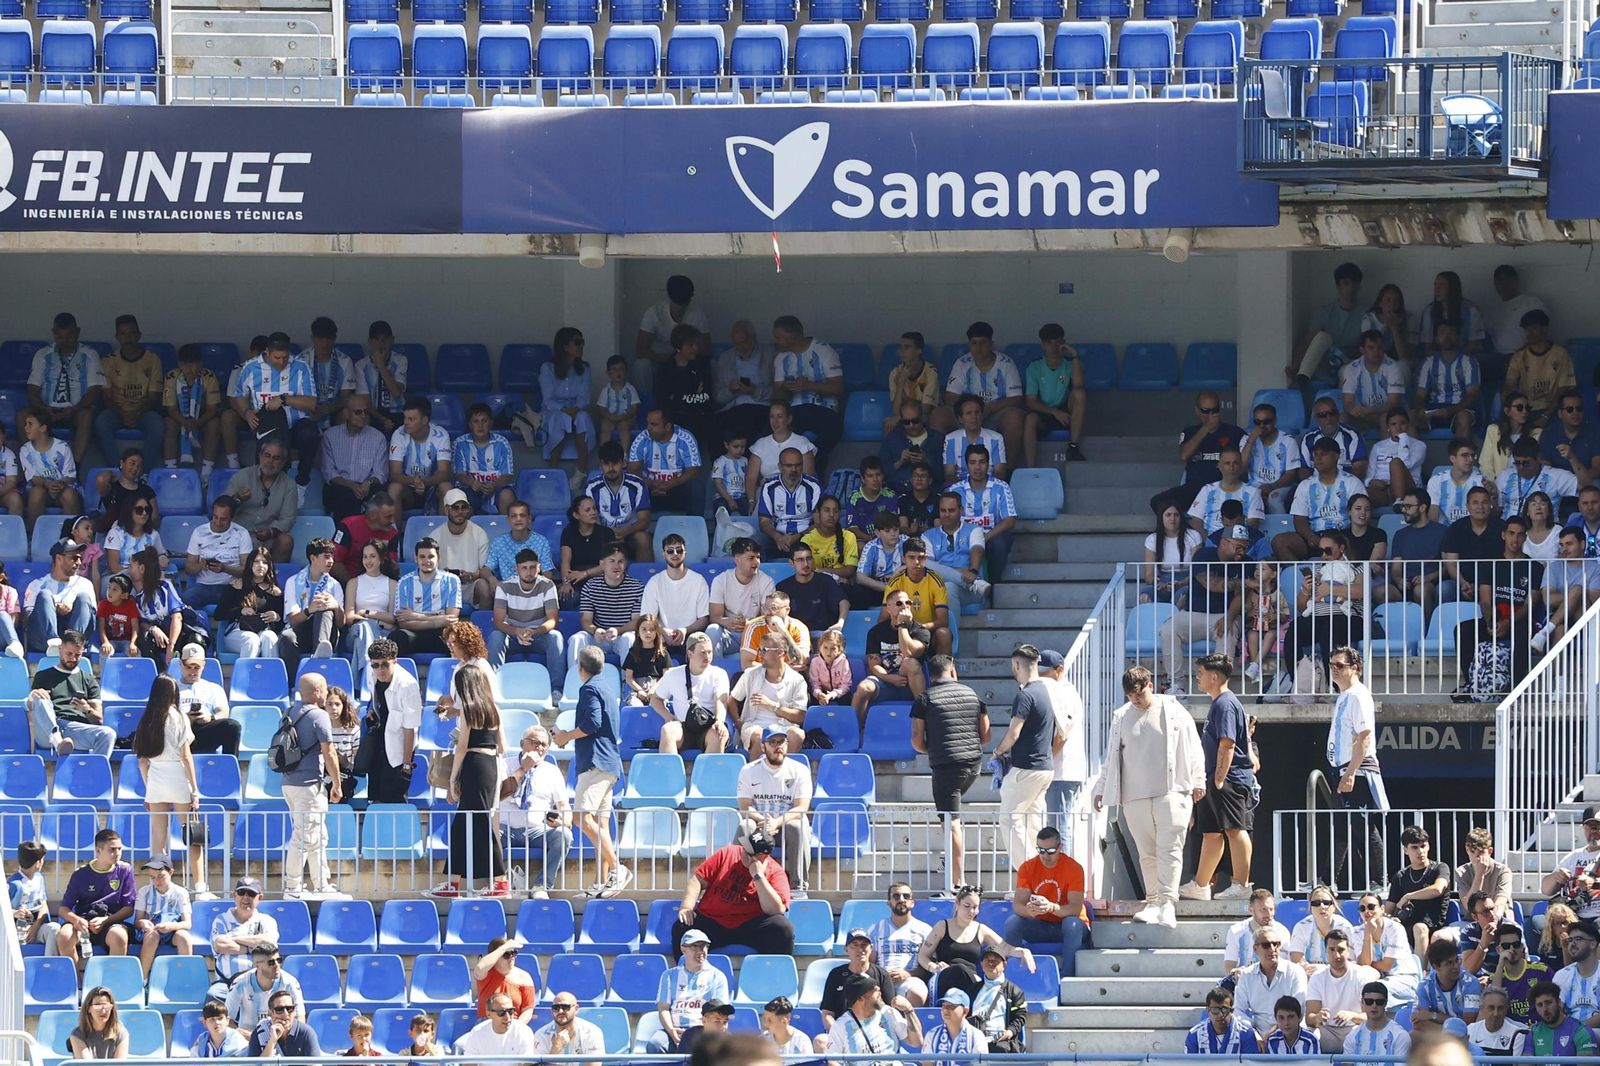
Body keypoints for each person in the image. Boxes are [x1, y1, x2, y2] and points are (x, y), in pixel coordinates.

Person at [1093, 665, 1204, 929]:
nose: (1135, 699)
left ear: (1150, 686)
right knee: (1147, 852)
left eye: (1139, 694)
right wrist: (1101, 788)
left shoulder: (1175, 710)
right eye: (1131, 696)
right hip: (1134, 795)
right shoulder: (1121, 716)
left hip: (1172, 790)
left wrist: (1199, 780)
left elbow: (1194, 748)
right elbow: (1112, 757)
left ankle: (1167, 903)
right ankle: (1153, 901)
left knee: (1171, 848)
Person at [552, 645, 628, 899]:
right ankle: (600, 883)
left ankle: (618, 869)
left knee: (581, 818)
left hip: (595, 763)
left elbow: (591, 723)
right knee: (601, 827)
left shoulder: (590, 689)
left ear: (579, 668)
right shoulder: (607, 687)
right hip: (610, 764)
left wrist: (564, 737)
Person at [909, 655, 988, 894]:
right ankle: (952, 861)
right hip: (973, 765)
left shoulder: (924, 698)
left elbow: (916, 740)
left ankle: (957, 883)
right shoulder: (973, 693)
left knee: (951, 822)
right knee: (951, 819)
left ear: (929, 675)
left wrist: (931, 749)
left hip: (945, 767)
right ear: (952, 671)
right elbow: (986, 736)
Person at [1180, 654, 1256, 901]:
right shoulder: (1219, 703)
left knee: (1235, 829)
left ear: (1214, 676)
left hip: (1228, 779)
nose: (1197, 677)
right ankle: (1201, 885)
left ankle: (1242, 885)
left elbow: (1227, 743)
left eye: (1200, 673)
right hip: (1213, 778)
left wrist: (1220, 779)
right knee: (1211, 832)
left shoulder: (1225, 703)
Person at [672, 816, 796, 955]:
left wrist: (758, 876)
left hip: (751, 924)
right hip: (714, 921)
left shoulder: (776, 872)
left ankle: (776, 974)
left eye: (749, 853)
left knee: (783, 929)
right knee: (682, 927)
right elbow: (697, 879)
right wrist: (687, 907)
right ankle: (685, 973)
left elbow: (775, 910)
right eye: (744, 849)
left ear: (762, 856)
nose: (743, 854)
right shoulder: (728, 853)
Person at [442, 664, 508, 899]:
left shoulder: (469, 711)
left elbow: (462, 748)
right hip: (490, 765)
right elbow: (503, 746)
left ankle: (500, 881)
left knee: (477, 823)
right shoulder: (493, 709)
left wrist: (452, 779)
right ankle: (453, 882)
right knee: (465, 823)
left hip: (474, 763)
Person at [915, 883, 1035, 1003]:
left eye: (975, 907)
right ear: (957, 904)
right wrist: (934, 967)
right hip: (944, 977)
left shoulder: (980, 929)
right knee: (958, 970)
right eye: (967, 906)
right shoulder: (942, 926)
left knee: (966, 973)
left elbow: (1005, 948)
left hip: (970, 980)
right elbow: (923, 956)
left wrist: (1023, 951)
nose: (971, 911)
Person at [992, 644, 1056, 869]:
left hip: (1026, 769)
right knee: (1033, 824)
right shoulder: (1047, 692)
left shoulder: (1026, 695)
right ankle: (1042, 875)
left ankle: (1030, 876)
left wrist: (998, 751)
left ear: (1017, 665)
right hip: (1045, 768)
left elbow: (1013, 732)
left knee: (1009, 819)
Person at [280, 673, 342, 900]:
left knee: (318, 835)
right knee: (304, 837)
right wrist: (337, 783)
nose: (326, 694)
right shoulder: (319, 716)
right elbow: (329, 753)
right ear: (317, 692)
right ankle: (293, 886)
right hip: (308, 786)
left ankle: (321, 882)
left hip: (289, 784)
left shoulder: (289, 712)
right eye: (324, 690)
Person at [131, 674, 198, 878]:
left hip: (156, 778)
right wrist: (195, 790)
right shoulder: (179, 716)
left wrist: (148, 789)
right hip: (176, 775)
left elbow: (142, 761)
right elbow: (186, 756)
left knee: (159, 837)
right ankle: (200, 884)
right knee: (192, 832)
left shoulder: (147, 718)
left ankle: (158, 882)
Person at [1003, 825, 1089, 975]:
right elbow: (1018, 905)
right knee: (1013, 922)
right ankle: (1015, 974)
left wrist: (1051, 907)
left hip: (1069, 925)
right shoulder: (1027, 868)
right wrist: (1029, 911)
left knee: (1071, 924)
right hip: (1041, 924)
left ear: (1060, 847)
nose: (1045, 856)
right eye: (1041, 850)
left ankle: (1067, 976)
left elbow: (1075, 909)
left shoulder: (1073, 868)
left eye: (1050, 851)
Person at [736, 727, 811, 894]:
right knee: (743, 826)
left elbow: (801, 807)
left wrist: (776, 822)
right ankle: (736, 882)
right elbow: (744, 806)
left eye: (782, 742)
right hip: (759, 824)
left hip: (786, 823)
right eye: (772, 742)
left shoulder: (800, 770)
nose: (778, 746)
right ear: (763, 746)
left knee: (798, 826)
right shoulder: (748, 770)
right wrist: (764, 821)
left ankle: (798, 887)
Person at [499, 724, 570, 898]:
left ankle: (541, 885)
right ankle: (497, 883)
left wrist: (564, 821)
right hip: (503, 827)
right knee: (485, 834)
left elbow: (563, 805)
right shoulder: (504, 764)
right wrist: (525, 767)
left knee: (564, 834)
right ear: (522, 744)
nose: (539, 748)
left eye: (544, 745)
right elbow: (498, 794)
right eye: (534, 742)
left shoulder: (552, 771)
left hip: (536, 830)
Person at [27, 627, 114, 757]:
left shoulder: (89, 681)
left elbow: (99, 720)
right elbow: (31, 706)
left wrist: (87, 710)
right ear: (60, 649)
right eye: (69, 654)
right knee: (40, 698)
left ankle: (94, 772)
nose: (73, 659)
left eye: (77, 655)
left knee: (108, 734)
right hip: (48, 729)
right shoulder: (43, 676)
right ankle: (58, 742)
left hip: (75, 729)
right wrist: (33, 696)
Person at [28, 312, 103, 464]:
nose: (65, 340)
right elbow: (32, 388)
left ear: (77, 332)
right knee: (23, 416)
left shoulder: (89, 355)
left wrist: (73, 409)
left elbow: (94, 390)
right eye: (60, 336)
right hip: (47, 410)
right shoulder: (43, 354)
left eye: (69, 336)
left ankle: (73, 469)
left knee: (86, 416)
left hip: (75, 410)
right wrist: (43, 408)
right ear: (54, 334)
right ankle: (34, 467)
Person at [771, 315, 845, 466]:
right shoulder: (780, 358)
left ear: (791, 336)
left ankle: (813, 476)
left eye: (778, 337)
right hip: (794, 410)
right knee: (769, 432)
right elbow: (778, 396)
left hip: (823, 409)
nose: (775, 341)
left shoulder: (823, 351)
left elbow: (838, 388)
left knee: (828, 436)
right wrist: (787, 388)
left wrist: (809, 386)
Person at [93, 316, 163, 475]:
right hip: (116, 411)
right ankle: (120, 471)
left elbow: (153, 397)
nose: (128, 338)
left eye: (132, 333)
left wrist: (137, 413)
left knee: (157, 423)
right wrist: (122, 414)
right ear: (117, 337)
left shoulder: (152, 360)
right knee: (101, 422)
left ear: (139, 335)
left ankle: (143, 472)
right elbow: (106, 397)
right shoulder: (109, 361)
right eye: (123, 334)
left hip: (144, 411)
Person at [56, 829, 135, 969]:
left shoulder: (125, 870)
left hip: (111, 921)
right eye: (112, 849)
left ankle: (113, 984)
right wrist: (77, 920)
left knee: (119, 936)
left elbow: (128, 908)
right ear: (99, 850)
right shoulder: (80, 874)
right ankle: (77, 985)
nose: (117, 853)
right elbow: (63, 909)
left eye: (119, 849)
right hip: (84, 923)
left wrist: (106, 920)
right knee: (64, 935)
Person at [851, 591, 930, 729]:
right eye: (899, 603)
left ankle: (923, 720)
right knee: (863, 688)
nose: (904, 606)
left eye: (908, 603)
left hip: (910, 683)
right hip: (885, 681)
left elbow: (909, 652)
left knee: (910, 662)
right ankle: (856, 730)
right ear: (888, 607)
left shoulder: (921, 630)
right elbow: (873, 664)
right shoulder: (876, 632)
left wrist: (902, 627)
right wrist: (889, 678)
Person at [488, 548, 564, 691]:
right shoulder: (504, 587)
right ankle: (492, 689)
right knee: (496, 636)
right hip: (512, 635)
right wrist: (517, 631)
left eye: (532, 567)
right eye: (524, 568)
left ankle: (557, 690)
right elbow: (498, 622)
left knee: (556, 637)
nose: (529, 572)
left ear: (539, 567)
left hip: (538, 635)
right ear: (516, 569)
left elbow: (552, 620)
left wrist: (534, 632)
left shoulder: (548, 585)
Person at [649, 928, 732, 1054]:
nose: (700, 951)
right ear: (683, 949)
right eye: (695, 946)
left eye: (704, 946)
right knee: (656, 1044)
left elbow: (720, 1013)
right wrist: (671, 1030)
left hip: (703, 1030)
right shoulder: (669, 975)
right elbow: (663, 1008)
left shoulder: (717, 976)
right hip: (675, 1030)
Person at [361, 638, 421, 806]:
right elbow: (374, 697)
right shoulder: (370, 671)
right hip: (379, 740)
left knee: (395, 801)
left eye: (385, 665)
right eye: (375, 665)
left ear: (395, 661)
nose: (380, 670)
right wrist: (372, 710)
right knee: (375, 798)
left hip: (399, 749)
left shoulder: (408, 686)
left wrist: (407, 764)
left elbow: (411, 729)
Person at [652, 632, 731, 757]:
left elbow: (721, 700)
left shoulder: (719, 673)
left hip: (709, 726)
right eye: (703, 653)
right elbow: (655, 698)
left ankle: (709, 775)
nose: (708, 657)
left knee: (719, 734)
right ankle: (670, 774)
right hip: (682, 726)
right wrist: (668, 716)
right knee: (667, 730)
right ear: (690, 653)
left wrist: (720, 721)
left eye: (710, 652)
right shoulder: (673, 674)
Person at [727, 633, 808, 755]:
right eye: (759, 650)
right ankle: (755, 773)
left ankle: (786, 772)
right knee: (759, 735)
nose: (759, 654)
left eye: (764, 650)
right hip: (754, 725)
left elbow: (800, 716)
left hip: (785, 726)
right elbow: (731, 700)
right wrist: (738, 723)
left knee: (798, 734)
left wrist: (772, 706)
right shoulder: (750, 674)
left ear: (780, 652)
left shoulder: (797, 680)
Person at [569, 542, 643, 672]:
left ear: (625, 564)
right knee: (577, 639)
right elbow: (586, 619)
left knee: (629, 638)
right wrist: (595, 630)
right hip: (598, 636)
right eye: (612, 561)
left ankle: (627, 685)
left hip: (622, 635)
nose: (616, 566)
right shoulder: (590, 586)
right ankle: (575, 682)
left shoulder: (636, 587)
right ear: (602, 564)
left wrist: (618, 630)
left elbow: (636, 620)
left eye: (621, 561)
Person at [823, 970, 923, 1064]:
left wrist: (909, 1010)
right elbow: (833, 1061)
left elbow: (916, 1041)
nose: (878, 988)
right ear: (860, 998)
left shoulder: (889, 1013)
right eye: (871, 988)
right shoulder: (841, 1026)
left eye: (876, 985)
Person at [223, 438, 297, 563]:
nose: (270, 461)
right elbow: (222, 507)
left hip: (267, 539)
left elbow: (288, 518)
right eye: (267, 456)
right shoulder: (242, 476)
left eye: (276, 458)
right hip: (238, 535)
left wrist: (271, 531)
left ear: (283, 462)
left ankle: (274, 580)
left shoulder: (289, 485)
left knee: (286, 540)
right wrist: (237, 498)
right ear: (260, 456)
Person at [1305, 927, 1379, 1052]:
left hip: (1354, 1029)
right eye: (1332, 950)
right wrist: (1318, 1018)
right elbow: (1309, 1018)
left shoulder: (1361, 976)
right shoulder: (1317, 978)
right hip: (1327, 1031)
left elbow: (1374, 1015)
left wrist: (1352, 1016)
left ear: (1348, 951)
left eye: (1341, 950)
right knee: (1312, 1036)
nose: (1336, 955)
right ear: (1326, 951)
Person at [320, 393, 390, 522]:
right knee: (343, 495)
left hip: (368, 485)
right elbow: (328, 472)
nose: (363, 416)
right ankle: (348, 537)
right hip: (341, 485)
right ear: (346, 414)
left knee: (381, 495)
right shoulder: (330, 436)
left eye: (366, 412)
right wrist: (350, 485)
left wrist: (367, 483)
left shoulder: (378, 437)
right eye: (358, 412)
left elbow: (381, 473)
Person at [641, 532, 711, 658]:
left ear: (685, 553)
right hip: (661, 637)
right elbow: (648, 618)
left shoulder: (698, 580)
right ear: (663, 553)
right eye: (670, 551)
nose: (675, 554)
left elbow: (703, 619)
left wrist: (685, 630)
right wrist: (662, 630)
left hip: (691, 637)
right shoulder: (655, 582)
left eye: (679, 550)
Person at [1024, 322, 1086, 464]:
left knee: (1080, 394)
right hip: (1045, 412)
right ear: (1042, 345)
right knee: (1030, 419)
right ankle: (1030, 469)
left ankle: (1073, 447)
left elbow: (1079, 386)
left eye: (1057, 342)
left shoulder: (1070, 364)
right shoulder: (1034, 367)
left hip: (1066, 412)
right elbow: (1031, 402)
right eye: (1048, 342)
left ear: (1063, 343)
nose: (1053, 346)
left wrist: (1075, 356)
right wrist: (1053, 412)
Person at [388, 539, 461, 657]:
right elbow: (403, 622)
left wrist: (415, 615)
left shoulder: (452, 580)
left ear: (439, 558)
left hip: (441, 634)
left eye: (431, 556)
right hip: (414, 632)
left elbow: (451, 619)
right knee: (396, 638)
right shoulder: (404, 582)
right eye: (422, 557)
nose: (427, 561)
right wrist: (437, 618)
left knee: (458, 638)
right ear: (415, 558)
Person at [1389, 824, 1452, 960]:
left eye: (1423, 846)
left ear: (1428, 846)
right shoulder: (1400, 876)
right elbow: (1389, 907)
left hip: (1432, 925)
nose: (1420, 851)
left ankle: (1421, 974)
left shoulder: (1440, 868)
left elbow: (1438, 889)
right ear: (1406, 850)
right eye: (1414, 847)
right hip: (1407, 924)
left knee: (1419, 927)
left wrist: (1408, 896)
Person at [1232, 928, 1309, 1040]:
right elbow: (1238, 1010)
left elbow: (1299, 1009)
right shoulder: (1247, 975)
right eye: (1266, 945)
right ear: (1255, 949)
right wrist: (1252, 1033)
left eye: (1276, 944)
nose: (1272, 949)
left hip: (1290, 1032)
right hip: (1256, 1034)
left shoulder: (1295, 972)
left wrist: (1273, 1034)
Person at [923, 493, 990, 619]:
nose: (946, 514)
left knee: (948, 588)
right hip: (945, 586)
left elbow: (977, 550)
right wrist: (960, 573)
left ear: (961, 510)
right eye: (943, 510)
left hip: (970, 591)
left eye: (951, 510)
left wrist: (973, 571)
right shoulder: (927, 536)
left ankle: (950, 638)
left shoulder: (974, 530)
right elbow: (929, 570)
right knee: (924, 564)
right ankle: (975, 583)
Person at [953, 444, 1017, 576]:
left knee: (999, 543)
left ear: (988, 464)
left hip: (991, 537)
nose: (977, 467)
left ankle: (994, 584)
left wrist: (984, 537)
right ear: (966, 465)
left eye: (982, 462)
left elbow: (1010, 520)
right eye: (973, 462)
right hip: (963, 539)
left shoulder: (1001, 487)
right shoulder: (955, 490)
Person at [706, 538, 775, 657]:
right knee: (712, 630)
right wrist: (728, 622)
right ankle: (716, 669)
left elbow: (767, 616)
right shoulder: (721, 580)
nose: (756, 562)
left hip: (755, 632)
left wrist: (748, 623)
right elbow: (714, 617)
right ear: (737, 559)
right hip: (730, 633)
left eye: (758, 557)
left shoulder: (766, 581)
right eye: (751, 558)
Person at [628, 407, 703, 515]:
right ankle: (635, 528)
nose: (648, 428)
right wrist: (650, 483)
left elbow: (693, 470)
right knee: (630, 487)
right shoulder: (642, 438)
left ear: (667, 427)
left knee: (696, 488)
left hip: (676, 489)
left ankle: (695, 528)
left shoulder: (685, 438)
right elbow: (632, 469)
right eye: (648, 423)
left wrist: (670, 484)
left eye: (653, 424)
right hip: (650, 489)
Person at [538, 328, 595, 470]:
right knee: (560, 418)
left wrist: (576, 408)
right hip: (553, 411)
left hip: (576, 409)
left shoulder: (584, 368)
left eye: (582, 342)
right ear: (564, 346)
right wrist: (564, 410)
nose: (581, 346)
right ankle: (553, 467)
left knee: (582, 417)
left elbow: (584, 397)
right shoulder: (547, 368)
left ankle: (581, 470)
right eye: (577, 342)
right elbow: (548, 399)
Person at [586, 440, 653, 561]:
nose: (611, 468)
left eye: (615, 463)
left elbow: (644, 520)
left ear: (623, 463)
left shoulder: (637, 484)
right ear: (600, 465)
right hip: (603, 533)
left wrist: (625, 532)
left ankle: (643, 578)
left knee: (643, 539)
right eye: (606, 464)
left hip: (630, 532)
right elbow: (588, 519)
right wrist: (609, 533)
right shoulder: (592, 487)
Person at [282, 537, 343, 667]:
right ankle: (292, 685)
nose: (331, 561)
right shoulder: (293, 582)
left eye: (332, 557)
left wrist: (336, 607)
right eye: (326, 557)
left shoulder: (334, 585)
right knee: (287, 637)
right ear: (313, 558)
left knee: (325, 608)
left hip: (327, 632)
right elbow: (293, 620)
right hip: (302, 631)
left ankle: (319, 654)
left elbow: (342, 623)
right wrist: (310, 609)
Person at [19, 407, 84, 530]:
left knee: (69, 494)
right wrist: (47, 483)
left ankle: (73, 539)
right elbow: (33, 478)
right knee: (36, 493)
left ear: (43, 428)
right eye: (25, 424)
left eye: (30, 424)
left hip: (62, 488)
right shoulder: (25, 450)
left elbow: (69, 476)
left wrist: (60, 484)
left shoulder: (62, 446)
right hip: (41, 488)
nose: (25, 428)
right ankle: (35, 537)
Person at [386, 396, 453, 513]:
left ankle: (445, 531)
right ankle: (396, 531)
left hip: (433, 485)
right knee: (394, 488)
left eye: (411, 419)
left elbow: (444, 473)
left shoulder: (441, 435)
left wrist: (425, 482)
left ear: (424, 420)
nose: (405, 423)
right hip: (408, 487)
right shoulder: (399, 434)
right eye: (405, 418)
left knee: (446, 487)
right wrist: (414, 481)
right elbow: (394, 474)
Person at [130, 857, 192, 980]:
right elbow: (137, 921)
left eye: (160, 876)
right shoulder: (144, 892)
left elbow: (187, 923)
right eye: (152, 877)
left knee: (184, 937)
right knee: (152, 935)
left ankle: (185, 978)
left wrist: (170, 927)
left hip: (173, 932)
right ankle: (142, 979)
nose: (156, 881)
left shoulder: (181, 892)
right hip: (152, 931)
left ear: (171, 872)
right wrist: (143, 923)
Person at [712, 320, 773, 446]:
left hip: (761, 407)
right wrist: (731, 390)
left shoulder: (769, 354)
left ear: (754, 338)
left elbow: (780, 392)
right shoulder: (725, 358)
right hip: (733, 408)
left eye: (745, 342)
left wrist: (754, 390)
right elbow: (718, 396)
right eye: (737, 344)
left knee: (745, 426)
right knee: (713, 427)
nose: (741, 347)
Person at [757, 447, 823, 557]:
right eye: (788, 465)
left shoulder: (813, 486)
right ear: (780, 467)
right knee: (758, 550)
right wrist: (778, 538)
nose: (793, 469)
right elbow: (764, 522)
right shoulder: (769, 487)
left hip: (806, 536)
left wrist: (797, 536)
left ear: (802, 465)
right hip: (777, 536)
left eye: (797, 465)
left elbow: (819, 522)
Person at [341, 539, 397, 669]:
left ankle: (364, 675)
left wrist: (366, 613)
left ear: (381, 559)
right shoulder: (353, 583)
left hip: (384, 634)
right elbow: (349, 618)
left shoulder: (392, 584)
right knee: (364, 627)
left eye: (372, 556)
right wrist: (377, 621)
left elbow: (392, 618)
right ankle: (369, 670)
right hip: (357, 631)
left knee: (364, 634)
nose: (368, 561)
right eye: (365, 557)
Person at [746, 400, 818, 498]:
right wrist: (751, 501)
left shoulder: (802, 443)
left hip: (794, 492)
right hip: (767, 492)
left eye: (780, 417)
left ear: (789, 419)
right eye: (772, 417)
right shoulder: (760, 444)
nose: (775, 421)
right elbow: (751, 478)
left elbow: (808, 476)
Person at [1341, 330, 1409, 434]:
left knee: (1385, 419)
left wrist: (1369, 410)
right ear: (1362, 350)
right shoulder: (1352, 368)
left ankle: (1389, 450)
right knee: (1343, 417)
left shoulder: (1393, 367)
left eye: (1380, 347)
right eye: (1371, 348)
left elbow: (1393, 404)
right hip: (1365, 415)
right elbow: (1348, 401)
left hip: (1389, 414)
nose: (1376, 351)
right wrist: (1352, 410)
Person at [436, 488, 493, 610]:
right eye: (455, 508)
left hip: (470, 584)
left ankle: (482, 626)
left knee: (484, 586)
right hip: (443, 586)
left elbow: (484, 568)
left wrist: (472, 576)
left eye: (464, 507)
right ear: (446, 510)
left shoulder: (479, 533)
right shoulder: (434, 536)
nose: (460, 511)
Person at [331, 491, 400, 584]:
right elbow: (334, 562)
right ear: (372, 515)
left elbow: (390, 567)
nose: (392, 520)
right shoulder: (348, 526)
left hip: (378, 585)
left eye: (393, 516)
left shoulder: (393, 534)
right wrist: (353, 585)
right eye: (388, 517)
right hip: (346, 582)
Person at [1415, 938, 1484, 1029]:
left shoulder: (1471, 983)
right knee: (1414, 1035)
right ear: (1436, 967)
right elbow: (1419, 1021)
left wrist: (1434, 1016)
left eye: (1457, 960)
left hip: (1466, 1036)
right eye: (1449, 963)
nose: (1456, 967)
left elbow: (1468, 1023)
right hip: (1438, 1034)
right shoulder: (1424, 986)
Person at [353, 322, 408, 436]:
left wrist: (381, 365)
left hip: (397, 413)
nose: (381, 344)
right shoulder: (361, 365)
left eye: (385, 339)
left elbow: (396, 393)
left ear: (392, 340)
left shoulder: (400, 360)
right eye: (377, 340)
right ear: (370, 341)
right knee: (363, 419)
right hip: (373, 414)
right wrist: (383, 420)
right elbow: (365, 402)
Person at [1223, 889, 1293, 979]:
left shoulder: (1281, 932)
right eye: (1263, 910)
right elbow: (1229, 963)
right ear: (1251, 910)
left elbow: (1287, 963)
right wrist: (1234, 973)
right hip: (1244, 980)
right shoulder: (1236, 931)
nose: (1268, 914)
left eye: (1271, 909)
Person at [881, 401, 946, 496]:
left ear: (922, 418)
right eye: (906, 422)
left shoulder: (938, 439)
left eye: (915, 421)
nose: (911, 426)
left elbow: (943, 476)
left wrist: (927, 461)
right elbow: (881, 474)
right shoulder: (892, 438)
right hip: (897, 494)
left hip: (930, 496)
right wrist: (900, 462)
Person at [1490, 922, 1550, 1024]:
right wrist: (1500, 964)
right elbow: (1493, 1005)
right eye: (1506, 946)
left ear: (1522, 947)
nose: (1512, 949)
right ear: (1498, 950)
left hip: (1539, 1031)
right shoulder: (1496, 978)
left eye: (1516, 944)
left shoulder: (1542, 971)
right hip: (1510, 1034)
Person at [942, 394, 1009, 484]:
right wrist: (967, 488)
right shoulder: (950, 439)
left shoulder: (996, 439)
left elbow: (1000, 474)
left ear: (982, 415)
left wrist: (980, 487)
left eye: (977, 412)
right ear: (960, 419)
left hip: (990, 487)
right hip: (960, 488)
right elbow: (949, 474)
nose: (974, 416)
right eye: (969, 413)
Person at [457, 991, 537, 1065]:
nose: (507, 1017)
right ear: (488, 1014)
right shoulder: (477, 1032)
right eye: (501, 1012)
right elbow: (469, 1064)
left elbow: (526, 1064)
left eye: (510, 1011)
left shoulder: (524, 1031)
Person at [10, 839, 60, 956]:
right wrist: (15, 913)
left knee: (54, 928)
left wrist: (36, 926)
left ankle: (49, 964)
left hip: (37, 926)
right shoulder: (14, 884)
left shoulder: (39, 878)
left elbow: (43, 904)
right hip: (19, 930)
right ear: (38, 863)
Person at [1543, 388, 1600, 488]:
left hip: (1585, 481)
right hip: (1558, 484)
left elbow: (1597, 469)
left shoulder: (1594, 432)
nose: (1575, 413)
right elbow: (1545, 467)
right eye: (1570, 409)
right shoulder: (1549, 433)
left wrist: (1574, 480)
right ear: (1560, 414)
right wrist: (1565, 482)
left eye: (1579, 409)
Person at [1521, 979, 1595, 1056]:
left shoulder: (1580, 1031)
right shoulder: (1533, 1033)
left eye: (1548, 1003)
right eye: (1540, 1005)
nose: (1545, 1009)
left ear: (1559, 1002)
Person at [472, 937, 537, 1022]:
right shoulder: (486, 973)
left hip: (512, 1023)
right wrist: (504, 948)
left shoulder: (524, 977)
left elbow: (527, 1010)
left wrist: (516, 1029)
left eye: (514, 953)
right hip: (487, 1023)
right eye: (506, 954)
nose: (511, 957)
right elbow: (479, 968)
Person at [528, 993, 605, 1065]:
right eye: (556, 1008)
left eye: (565, 1007)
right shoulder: (541, 1034)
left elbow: (594, 1064)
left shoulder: (592, 1032)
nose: (560, 1011)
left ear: (576, 1009)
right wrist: (555, 1049)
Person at [1346, 981, 1412, 1061]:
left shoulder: (1400, 1036)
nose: (1374, 1006)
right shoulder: (1352, 1036)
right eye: (1369, 1001)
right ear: (1362, 1002)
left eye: (1379, 1002)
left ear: (1386, 1003)